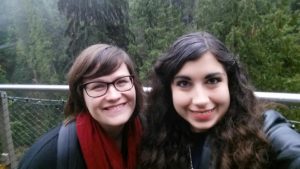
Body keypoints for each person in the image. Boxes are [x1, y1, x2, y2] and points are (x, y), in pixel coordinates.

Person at [138, 32, 300, 169]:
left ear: (230, 83)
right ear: (169, 90)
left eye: (213, 81)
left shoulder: (264, 130)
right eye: (184, 83)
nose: (200, 100)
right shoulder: (156, 133)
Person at [18, 44, 144, 169]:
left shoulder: (152, 134)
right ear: (81, 95)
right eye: (98, 86)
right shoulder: (47, 158)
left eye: (122, 81)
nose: (114, 96)